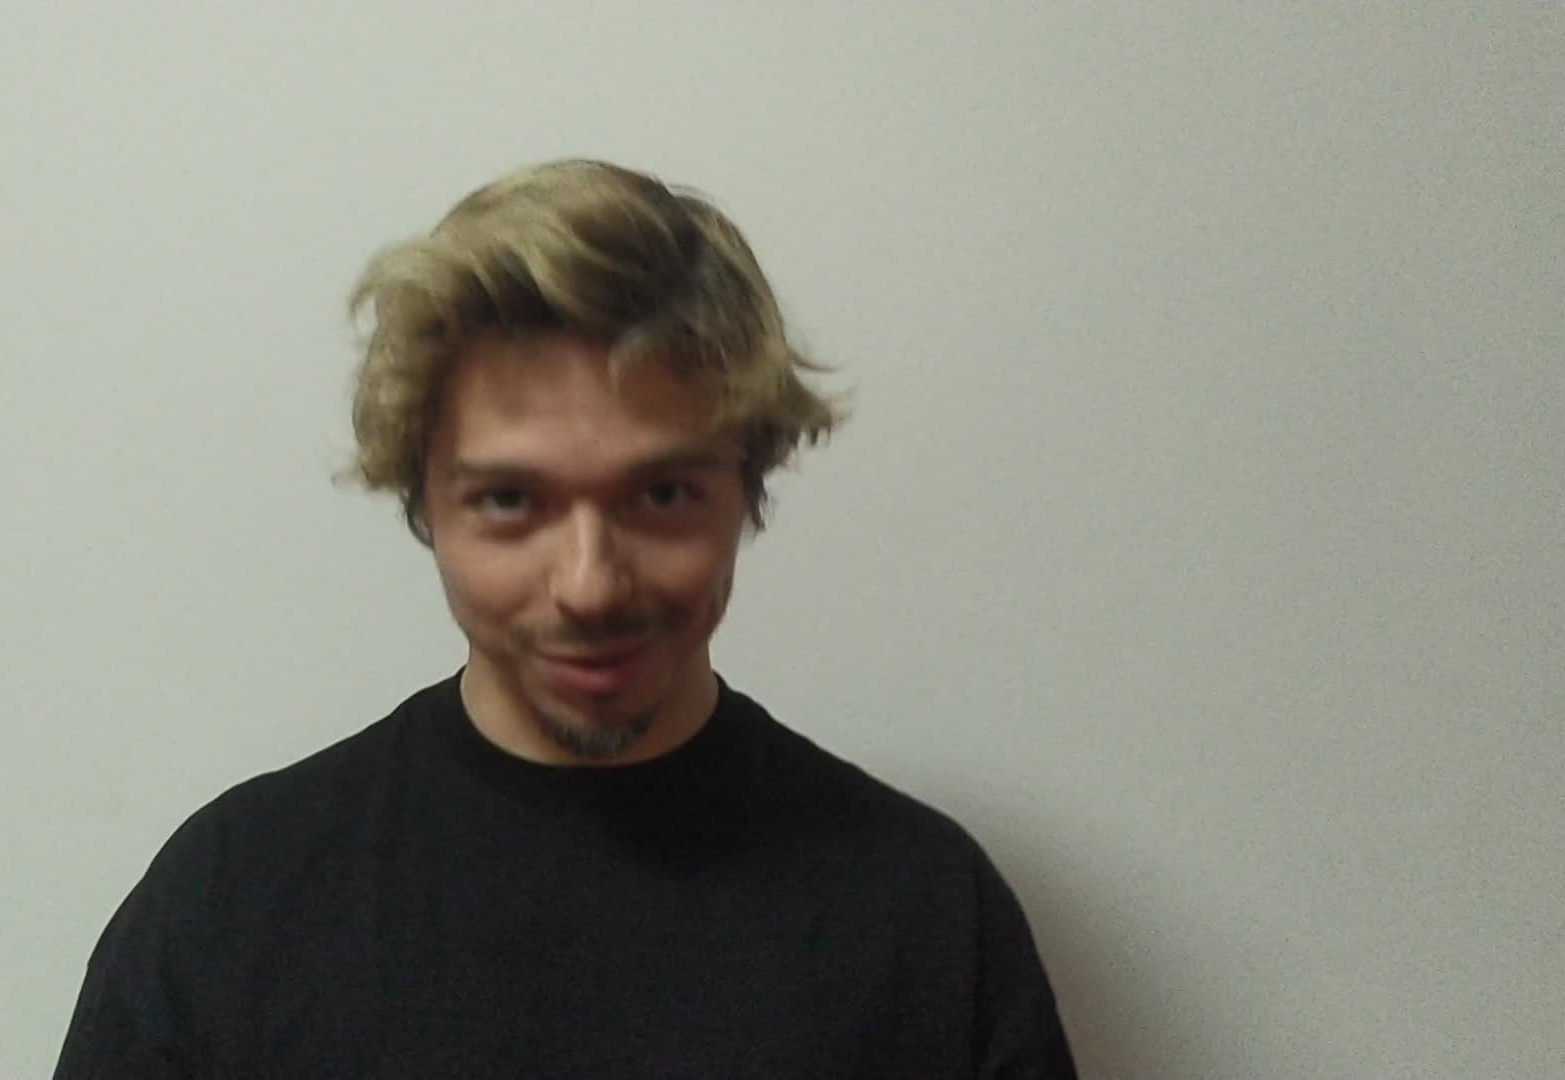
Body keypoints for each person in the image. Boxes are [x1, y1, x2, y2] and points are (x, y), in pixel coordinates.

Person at [53, 159, 1077, 1078]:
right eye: (510, 501)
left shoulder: (924, 913)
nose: (589, 586)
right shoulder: (229, 901)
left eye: (662, 495)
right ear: (425, 504)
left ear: (747, 490)